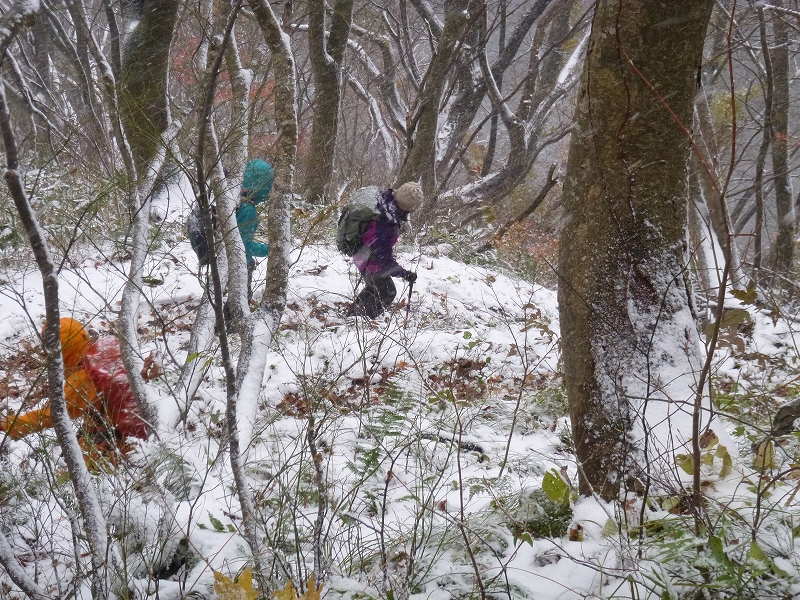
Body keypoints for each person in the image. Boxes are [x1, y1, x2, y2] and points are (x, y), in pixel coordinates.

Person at [0, 318, 148, 461]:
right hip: (142, 430)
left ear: (59, 350)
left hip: (124, 445)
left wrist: (7, 425)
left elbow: (52, 415)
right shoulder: (105, 350)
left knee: (77, 470)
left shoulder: (84, 377)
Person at [347, 182, 422, 319]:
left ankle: (353, 315)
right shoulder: (386, 222)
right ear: (407, 208)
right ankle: (359, 320)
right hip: (368, 260)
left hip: (361, 255)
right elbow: (384, 260)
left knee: (376, 287)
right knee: (387, 292)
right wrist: (404, 274)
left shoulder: (384, 201)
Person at [237, 159, 273, 301]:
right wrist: (270, 249)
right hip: (237, 264)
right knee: (241, 300)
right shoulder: (247, 209)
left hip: (223, 258)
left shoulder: (234, 199)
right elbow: (243, 246)